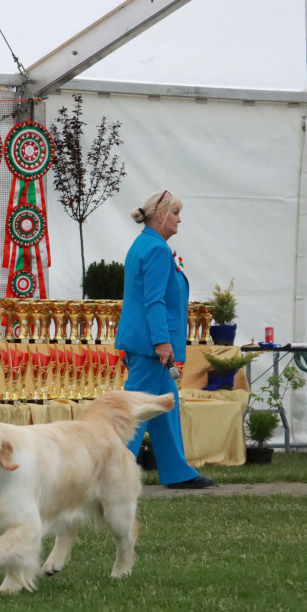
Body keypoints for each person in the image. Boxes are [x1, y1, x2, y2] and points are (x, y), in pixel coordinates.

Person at [115, 190, 215, 489]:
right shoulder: (157, 249)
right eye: (175, 213)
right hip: (151, 345)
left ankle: (177, 472)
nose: (179, 219)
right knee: (134, 410)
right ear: (160, 215)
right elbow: (154, 301)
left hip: (145, 343)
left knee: (164, 407)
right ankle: (113, 474)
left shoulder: (145, 243)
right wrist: (162, 341)